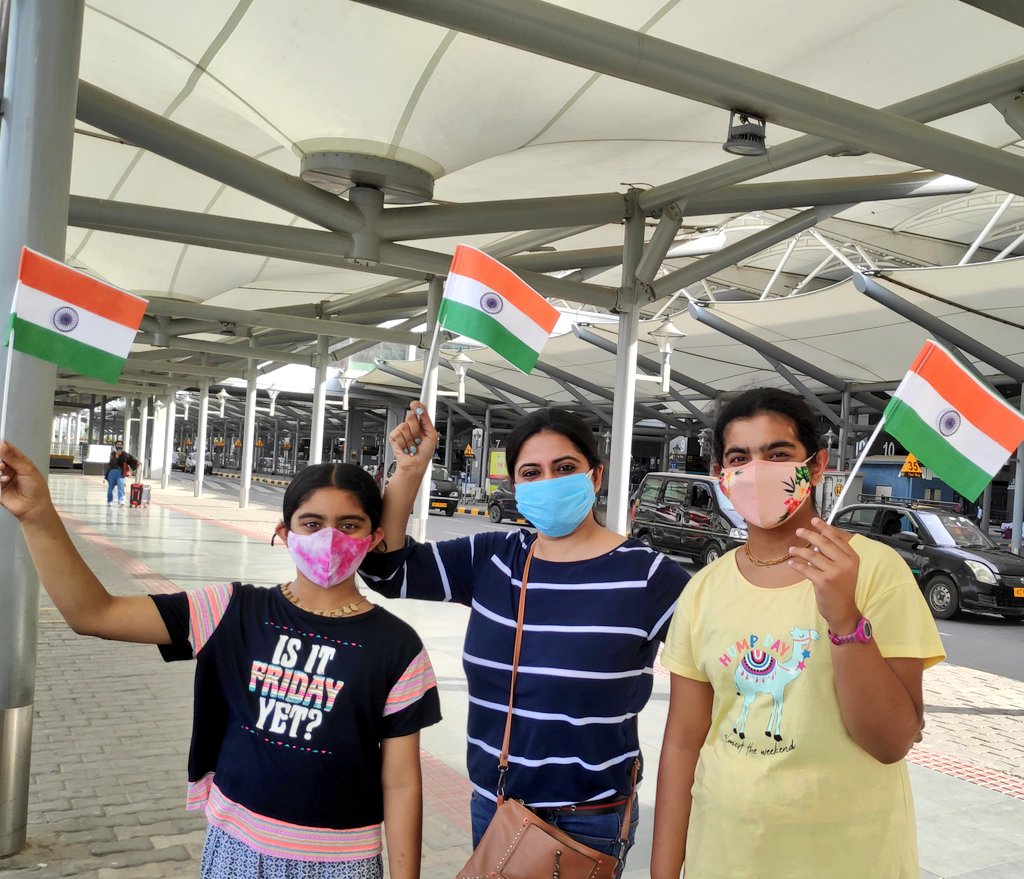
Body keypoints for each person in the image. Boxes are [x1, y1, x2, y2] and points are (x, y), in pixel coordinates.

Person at [0, 441, 441, 879]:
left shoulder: (398, 647)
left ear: (374, 536)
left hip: (344, 862)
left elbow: (401, 783)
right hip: (237, 849)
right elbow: (94, 613)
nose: (330, 538)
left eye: (349, 524)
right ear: (285, 533)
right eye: (312, 523)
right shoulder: (228, 610)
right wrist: (36, 515)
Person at [360, 401, 688, 874]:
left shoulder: (648, 577)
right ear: (515, 487)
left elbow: (717, 665)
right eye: (531, 473)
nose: (548, 482)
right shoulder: (493, 558)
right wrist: (410, 470)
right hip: (494, 807)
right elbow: (389, 570)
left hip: (588, 817)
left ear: (595, 477)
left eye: (565, 468)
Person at [650, 388, 944, 879]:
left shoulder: (874, 571)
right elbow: (683, 743)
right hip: (723, 855)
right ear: (722, 475)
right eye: (739, 457)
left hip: (851, 858)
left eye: (778, 453)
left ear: (818, 463)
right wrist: (664, 870)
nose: (757, 470)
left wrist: (846, 620)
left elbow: (892, 741)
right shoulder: (704, 589)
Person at [104, 440, 139, 506]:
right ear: (115, 446)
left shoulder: (124, 454)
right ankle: (109, 501)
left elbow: (131, 459)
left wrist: (137, 462)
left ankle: (121, 501)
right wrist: (116, 457)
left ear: (122, 446)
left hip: (120, 472)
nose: (119, 446)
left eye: (120, 445)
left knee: (121, 486)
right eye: (118, 445)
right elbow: (110, 463)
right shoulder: (113, 453)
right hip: (112, 472)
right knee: (110, 487)